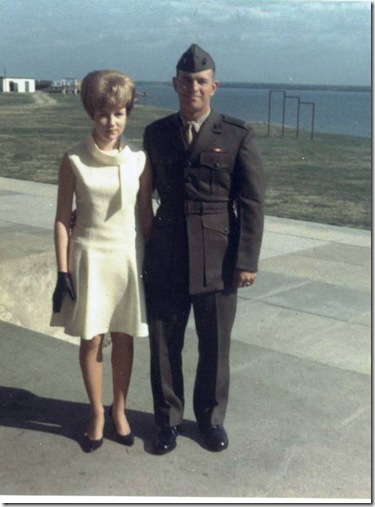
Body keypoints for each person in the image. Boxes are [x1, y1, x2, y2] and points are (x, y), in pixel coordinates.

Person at [143, 44, 265, 455]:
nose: (192, 87)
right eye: (185, 81)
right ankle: (167, 422)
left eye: (200, 81)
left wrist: (246, 261)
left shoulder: (235, 134)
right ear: (174, 84)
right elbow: (140, 193)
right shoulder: (156, 133)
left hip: (219, 255)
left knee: (214, 346)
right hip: (166, 252)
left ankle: (210, 421)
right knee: (164, 344)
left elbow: (251, 202)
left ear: (214, 86)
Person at [50, 70, 153, 453]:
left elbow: (145, 217)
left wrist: (155, 259)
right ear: (91, 114)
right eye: (103, 114)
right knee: (92, 339)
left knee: (125, 336)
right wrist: (62, 271)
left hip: (127, 258)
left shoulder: (139, 160)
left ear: (128, 114)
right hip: (89, 259)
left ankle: (119, 409)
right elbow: (63, 218)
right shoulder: (74, 159)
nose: (112, 122)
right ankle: (96, 412)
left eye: (119, 113)